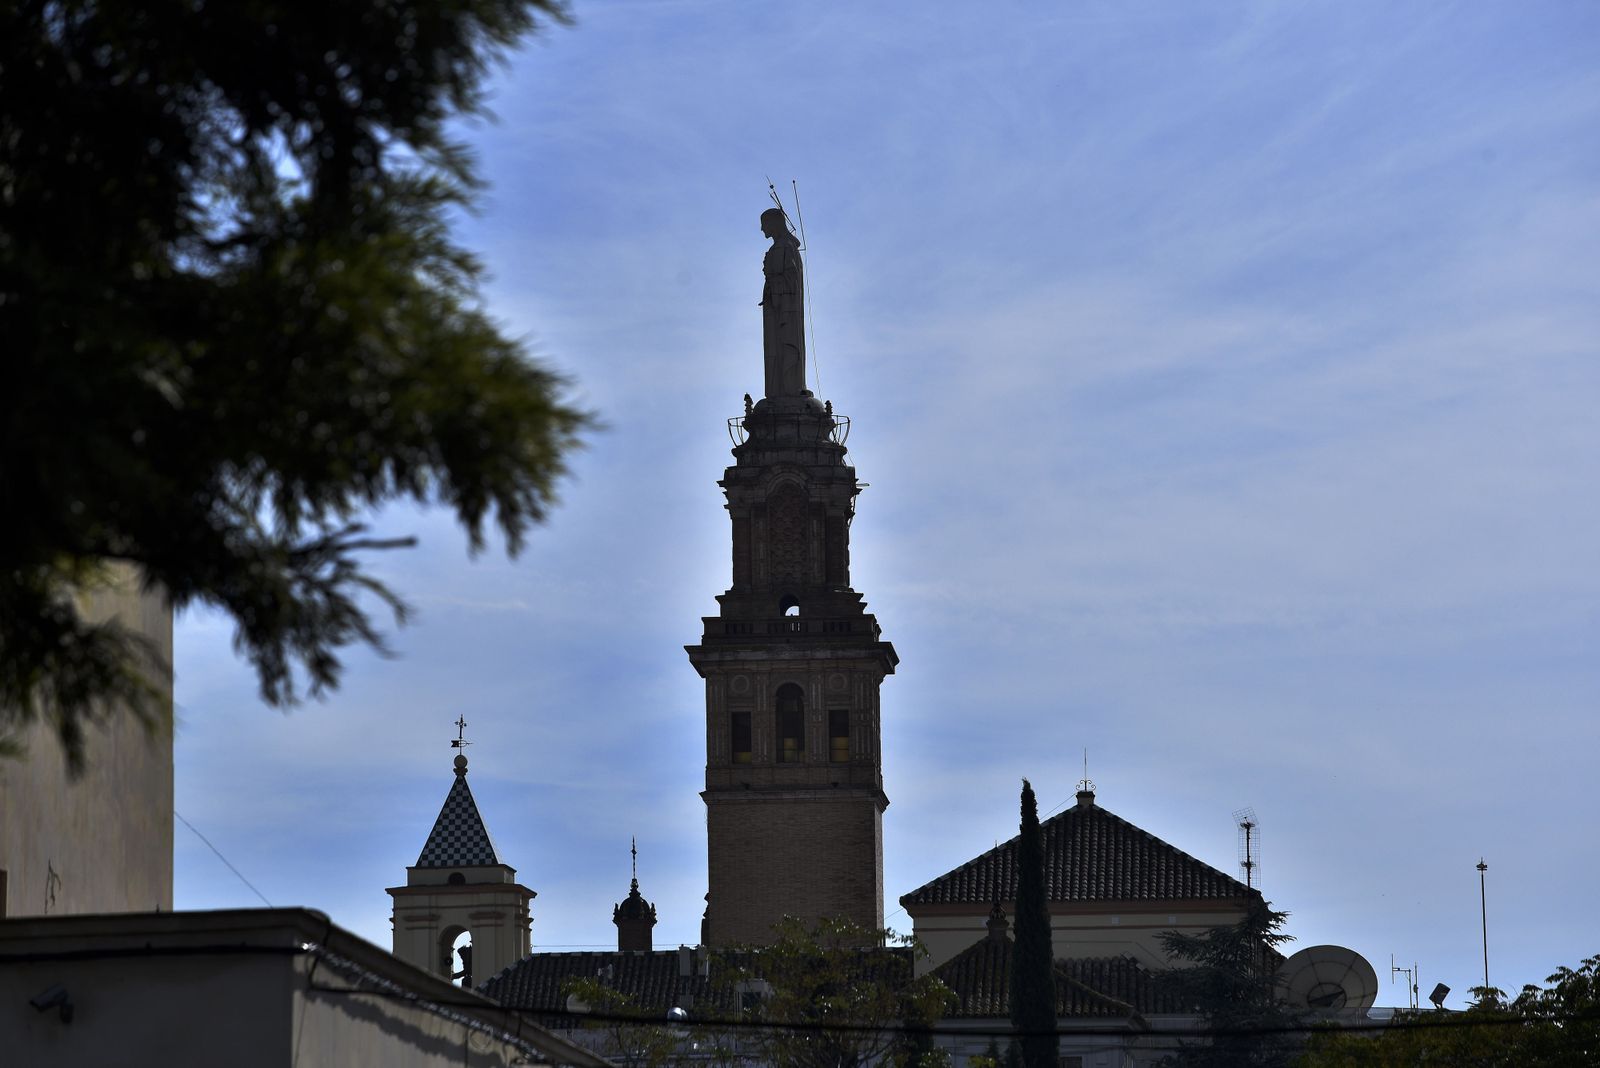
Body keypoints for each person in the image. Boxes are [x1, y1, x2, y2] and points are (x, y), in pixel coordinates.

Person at [760, 208, 806, 396]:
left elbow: (790, 280)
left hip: (785, 312)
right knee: (776, 350)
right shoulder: (782, 247)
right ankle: (782, 388)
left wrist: (770, 276)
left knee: (784, 348)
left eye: (765, 224)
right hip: (778, 310)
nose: (762, 229)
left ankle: (788, 388)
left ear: (774, 224)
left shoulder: (784, 247)